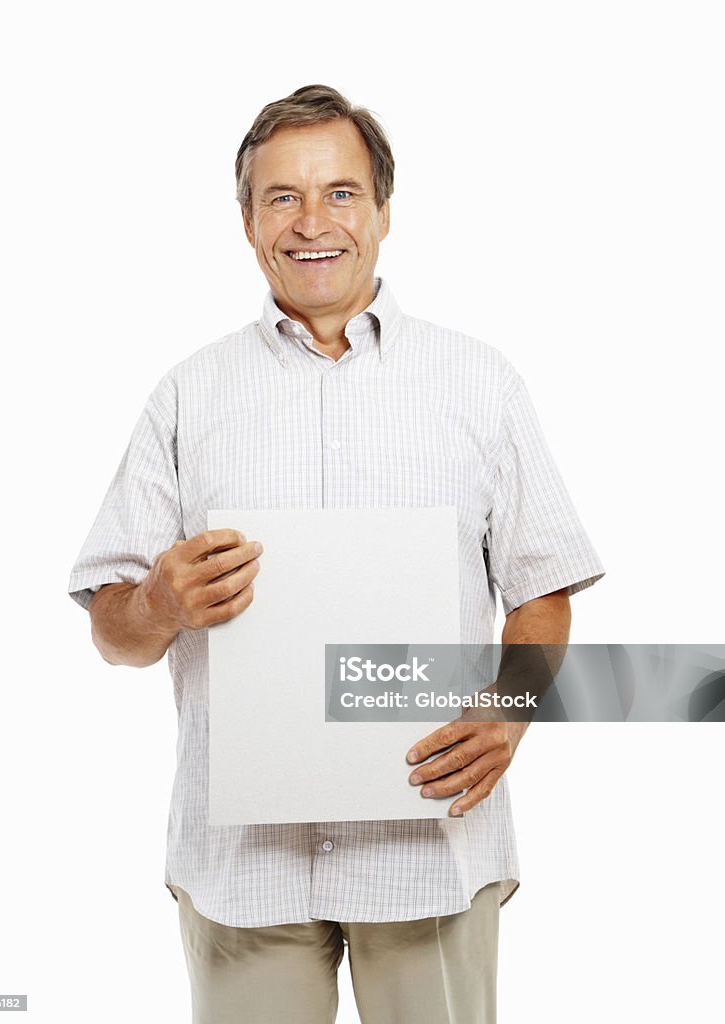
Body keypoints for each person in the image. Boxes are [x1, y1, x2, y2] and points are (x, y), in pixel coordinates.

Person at [69, 84, 604, 1024]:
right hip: (243, 867)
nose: (312, 223)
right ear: (245, 221)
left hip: (429, 850)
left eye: (341, 193)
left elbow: (543, 588)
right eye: (282, 197)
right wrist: (156, 601)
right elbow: (117, 632)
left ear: (384, 213)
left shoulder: (480, 383)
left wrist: (512, 710)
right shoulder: (187, 397)